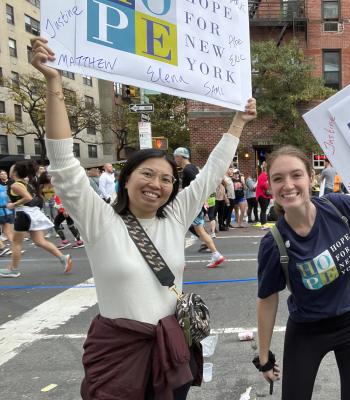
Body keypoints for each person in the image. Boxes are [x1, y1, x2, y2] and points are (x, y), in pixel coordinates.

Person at [30, 37, 256, 398]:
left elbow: (212, 173)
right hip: (118, 359)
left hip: (172, 352)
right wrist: (54, 83)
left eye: (167, 178)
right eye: (147, 174)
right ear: (126, 179)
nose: (157, 184)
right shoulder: (98, 219)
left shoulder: (176, 216)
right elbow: (63, 164)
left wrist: (237, 123)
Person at [255, 146, 350, 400]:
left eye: (296, 175)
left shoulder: (338, 206)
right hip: (307, 329)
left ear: (312, 177)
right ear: (270, 187)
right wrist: (264, 356)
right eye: (278, 178)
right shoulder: (273, 242)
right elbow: (267, 299)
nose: (288, 185)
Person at [0, 161, 72, 278]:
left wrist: (13, 204)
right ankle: (63, 258)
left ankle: (13, 269)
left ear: (15, 172)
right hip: (32, 213)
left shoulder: (15, 185)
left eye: (12, 168)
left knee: (16, 242)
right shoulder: (27, 183)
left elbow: (27, 198)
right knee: (39, 241)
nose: (10, 169)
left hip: (23, 213)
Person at [173, 147, 225, 268]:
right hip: (196, 205)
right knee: (199, 230)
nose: (175, 160)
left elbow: (197, 185)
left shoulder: (187, 170)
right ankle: (216, 255)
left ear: (180, 157)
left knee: (178, 231)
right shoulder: (192, 168)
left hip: (191, 206)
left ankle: (180, 261)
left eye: (175, 157)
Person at [256, 161, 272, 230]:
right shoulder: (262, 175)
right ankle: (263, 224)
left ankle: (264, 223)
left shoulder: (268, 176)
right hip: (262, 195)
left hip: (267, 195)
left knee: (265, 210)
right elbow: (262, 185)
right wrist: (268, 183)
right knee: (263, 210)